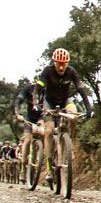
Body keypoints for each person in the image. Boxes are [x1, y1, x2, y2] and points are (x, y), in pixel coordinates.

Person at [37, 48, 94, 184]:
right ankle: (49, 168)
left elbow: (81, 90)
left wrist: (89, 109)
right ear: (54, 62)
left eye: (64, 63)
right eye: (58, 63)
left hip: (65, 101)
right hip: (49, 102)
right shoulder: (47, 71)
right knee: (49, 130)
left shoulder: (71, 72)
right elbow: (38, 89)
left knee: (73, 116)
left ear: (68, 63)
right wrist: (36, 103)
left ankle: (69, 144)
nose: (61, 67)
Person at [12, 78, 43, 183]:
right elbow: (18, 100)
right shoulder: (27, 89)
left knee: (47, 134)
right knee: (27, 140)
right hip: (29, 119)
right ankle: (23, 167)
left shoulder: (48, 90)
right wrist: (17, 113)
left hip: (43, 117)